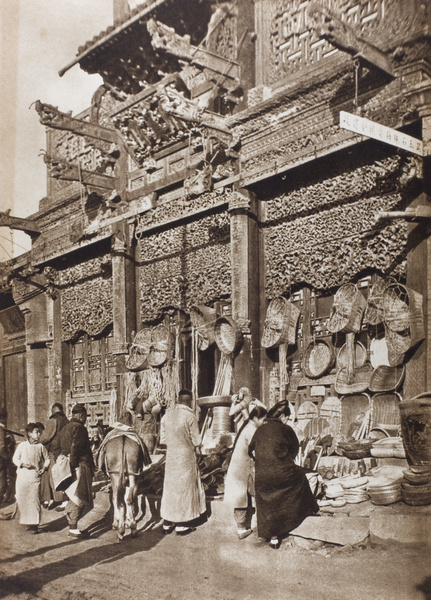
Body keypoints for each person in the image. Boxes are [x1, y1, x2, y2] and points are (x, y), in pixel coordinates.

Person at [249, 401, 318, 549]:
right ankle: (308, 512)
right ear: (282, 416)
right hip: (282, 472)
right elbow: (294, 451)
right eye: (287, 417)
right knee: (301, 478)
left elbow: (250, 450)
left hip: (262, 476)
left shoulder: (260, 430)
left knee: (268, 499)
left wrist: (262, 461)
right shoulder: (286, 429)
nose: (287, 420)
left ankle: (273, 537)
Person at [160, 389, 206, 536]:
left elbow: (163, 440)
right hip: (185, 458)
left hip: (172, 457)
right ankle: (182, 524)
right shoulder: (190, 416)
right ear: (190, 401)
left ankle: (167, 523)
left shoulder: (166, 416)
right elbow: (197, 441)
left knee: (170, 489)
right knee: (184, 489)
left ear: (178, 400)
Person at [224, 405, 267, 540]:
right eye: (264, 420)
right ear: (256, 418)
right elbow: (256, 451)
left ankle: (243, 527)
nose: (264, 423)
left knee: (242, 497)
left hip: (239, 469)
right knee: (241, 499)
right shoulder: (252, 430)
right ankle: (242, 529)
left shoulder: (247, 425)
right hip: (241, 470)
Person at [58, 403, 95, 538]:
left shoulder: (65, 428)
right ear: (80, 415)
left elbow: (59, 447)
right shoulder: (80, 428)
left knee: (72, 495)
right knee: (79, 496)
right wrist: (73, 465)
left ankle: (72, 526)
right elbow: (76, 447)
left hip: (68, 465)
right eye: (85, 416)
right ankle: (73, 529)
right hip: (79, 465)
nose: (85, 419)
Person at [12, 423, 50, 534]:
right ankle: (27, 523)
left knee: (34, 501)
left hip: (34, 478)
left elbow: (47, 459)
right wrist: (22, 464)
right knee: (23, 500)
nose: (39, 434)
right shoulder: (22, 446)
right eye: (36, 432)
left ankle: (34, 525)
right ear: (29, 434)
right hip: (22, 478)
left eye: (39, 432)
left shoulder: (41, 447)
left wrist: (44, 468)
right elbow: (15, 459)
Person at [39, 403, 69, 508]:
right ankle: (57, 498)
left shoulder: (53, 420)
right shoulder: (67, 421)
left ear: (53, 410)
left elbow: (46, 437)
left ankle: (59, 499)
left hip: (54, 452)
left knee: (52, 476)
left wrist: (37, 441)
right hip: (65, 452)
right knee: (63, 475)